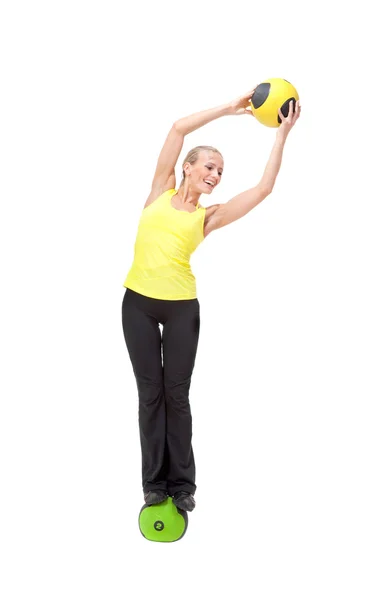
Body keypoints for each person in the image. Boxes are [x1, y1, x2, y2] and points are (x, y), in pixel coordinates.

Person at [121, 88, 301, 512]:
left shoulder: (210, 216)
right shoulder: (159, 190)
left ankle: (182, 486)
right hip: (138, 305)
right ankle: (154, 485)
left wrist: (281, 135)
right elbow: (178, 128)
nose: (217, 175)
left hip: (182, 307)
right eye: (210, 166)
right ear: (187, 168)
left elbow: (263, 189)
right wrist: (230, 108)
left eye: (220, 171)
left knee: (176, 395)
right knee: (150, 395)